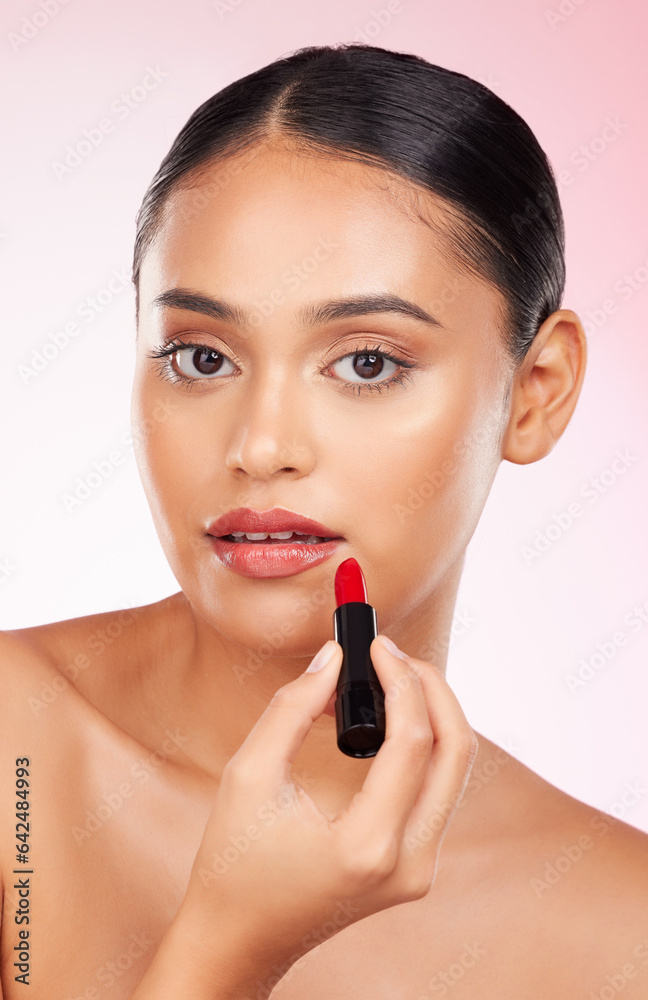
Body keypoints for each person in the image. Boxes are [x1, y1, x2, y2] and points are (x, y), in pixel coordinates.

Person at [1, 42, 647, 1000]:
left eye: (369, 362)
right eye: (201, 358)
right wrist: (224, 949)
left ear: (536, 393)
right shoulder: (15, 745)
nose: (262, 446)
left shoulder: (621, 925)